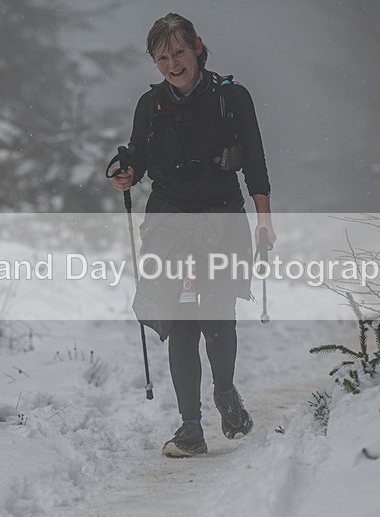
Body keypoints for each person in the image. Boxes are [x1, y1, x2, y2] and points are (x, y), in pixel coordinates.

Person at [110, 13, 275, 457]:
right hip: (168, 225)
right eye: (162, 57)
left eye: (179, 52)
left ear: (198, 46)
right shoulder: (151, 106)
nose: (172, 63)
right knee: (181, 319)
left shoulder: (232, 98)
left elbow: (255, 162)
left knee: (216, 314)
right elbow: (138, 160)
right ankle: (190, 427)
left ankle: (224, 392)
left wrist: (264, 220)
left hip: (221, 219)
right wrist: (125, 175)